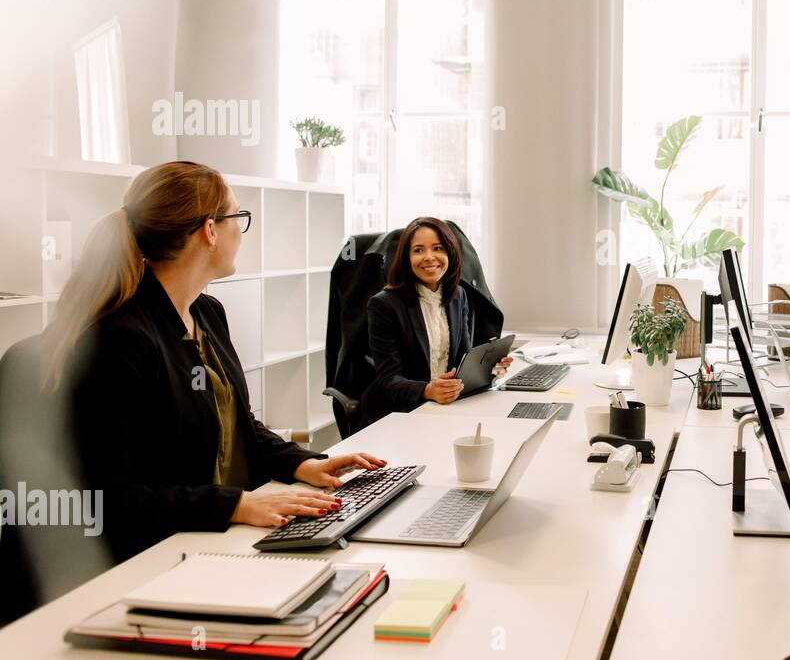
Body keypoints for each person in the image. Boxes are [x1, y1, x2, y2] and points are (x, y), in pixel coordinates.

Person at [41, 161, 385, 563]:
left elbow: (238, 422)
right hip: (150, 557)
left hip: (214, 537)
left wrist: (303, 463)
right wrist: (236, 505)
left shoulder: (206, 312)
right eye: (238, 217)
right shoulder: (120, 339)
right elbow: (112, 497)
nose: (241, 231)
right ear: (209, 231)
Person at [360, 217, 511, 427]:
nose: (429, 257)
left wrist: (488, 370)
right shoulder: (384, 305)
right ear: (406, 257)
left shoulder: (459, 296)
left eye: (437, 248)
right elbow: (389, 380)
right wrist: (428, 390)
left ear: (450, 252)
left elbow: (461, 361)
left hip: (443, 408)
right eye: (418, 250)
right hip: (399, 414)